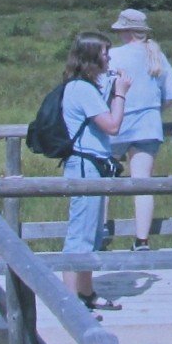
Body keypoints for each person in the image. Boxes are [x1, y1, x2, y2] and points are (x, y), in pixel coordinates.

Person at [58, 32, 130, 313]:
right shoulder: (81, 89)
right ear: (91, 57)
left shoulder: (84, 87)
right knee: (80, 234)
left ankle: (86, 293)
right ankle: (69, 302)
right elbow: (112, 125)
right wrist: (121, 93)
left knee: (91, 233)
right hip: (85, 165)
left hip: (92, 164)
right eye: (104, 53)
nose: (109, 58)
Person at [106, 10, 172, 251]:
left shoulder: (113, 56)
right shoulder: (156, 55)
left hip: (117, 124)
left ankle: (102, 229)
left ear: (126, 31)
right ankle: (142, 239)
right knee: (143, 183)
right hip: (148, 125)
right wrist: (153, 110)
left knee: (104, 179)